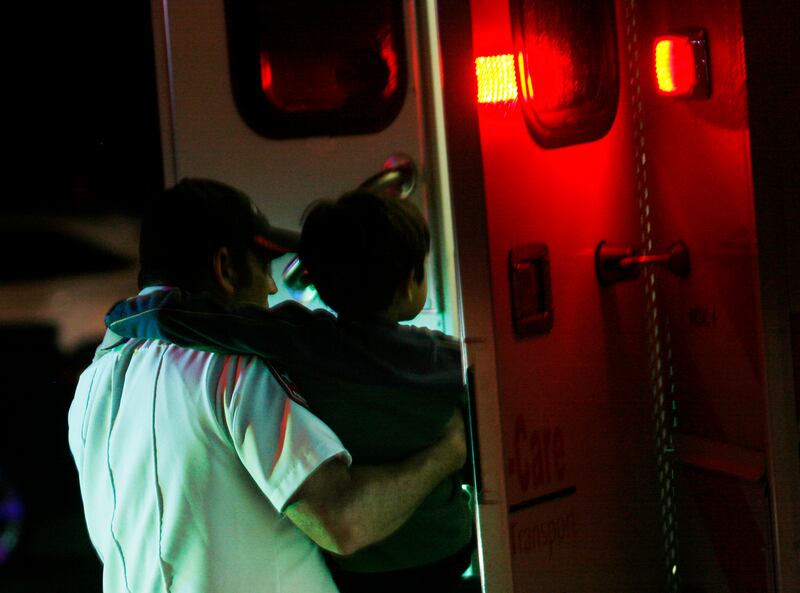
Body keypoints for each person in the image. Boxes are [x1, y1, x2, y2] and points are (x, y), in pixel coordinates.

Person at [67, 178, 467, 593]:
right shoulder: (231, 370)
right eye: (262, 264)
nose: (274, 286)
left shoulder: (91, 387)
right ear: (226, 268)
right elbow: (343, 522)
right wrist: (444, 455)